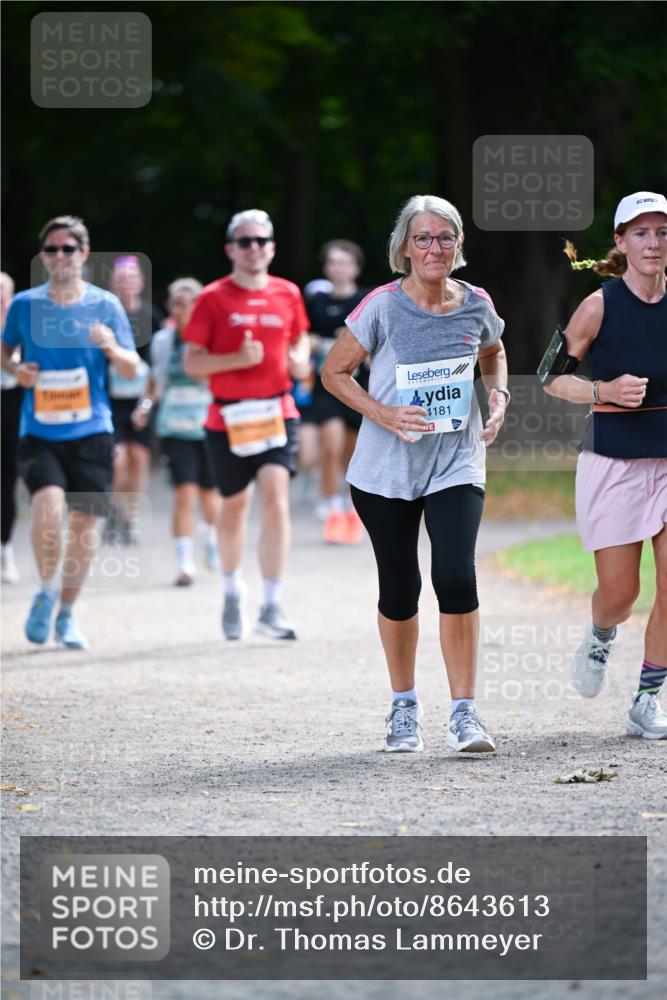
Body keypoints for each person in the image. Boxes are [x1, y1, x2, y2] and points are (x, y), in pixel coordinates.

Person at [322, 194, 509, 753]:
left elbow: (494, 350)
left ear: (459, 246)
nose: (435, 247)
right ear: (404, 247)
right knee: (400, 588)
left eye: (445, 237)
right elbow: (334, 372)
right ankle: (404, 705)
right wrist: (383, 413)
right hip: (386, 469)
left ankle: (465, 713)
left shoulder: (475, 302)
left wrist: (497, 394)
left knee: (455, 577)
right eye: (423, 238)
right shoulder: (381, 305)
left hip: (456, 460)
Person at [544, 191, 667, 739]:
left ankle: (648, 696)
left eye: (662, 232)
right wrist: (605, 389)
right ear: (620, 242)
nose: (653, 243)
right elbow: (550, 376)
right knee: (621, 595)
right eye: (641, 233)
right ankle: (600, 632)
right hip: (614, 461)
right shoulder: (599, 304)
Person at [0, 215, 139, 648]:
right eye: (52, 249)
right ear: (43, 256)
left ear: (84, 253)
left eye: (69, 249)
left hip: (92, 430)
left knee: (85, 527)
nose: (60, 256)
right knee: (48, 511)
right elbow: (4, 351)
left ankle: (67, 613)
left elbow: (133, 368)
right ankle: (44, 592)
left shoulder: (105, 305)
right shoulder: (24, 304)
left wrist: (111, 346)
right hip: (40, 429)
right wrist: (17, 371)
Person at [183, 209, 310, 640]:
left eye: (261, 241)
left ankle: (272, 603)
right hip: (228, 417)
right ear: (230, 250)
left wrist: (301, 358)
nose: (253, 248)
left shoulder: (288, 293)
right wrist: (235, 360)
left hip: (276, 411)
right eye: (245, 242)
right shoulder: (213, 297)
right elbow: (192, 362)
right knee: (234, 508)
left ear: (272, 248)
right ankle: (233, 589)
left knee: (276, 498)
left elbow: (299, 337)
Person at [132, 277, 221, 586]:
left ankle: (210, 536)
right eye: (175, 303)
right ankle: (185, 562)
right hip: (173, 427)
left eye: (186, 303)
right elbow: (154, 382)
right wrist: (143, 406)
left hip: (209, 427)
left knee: (210, 496)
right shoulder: (162, 342)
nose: (179, 308)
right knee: (184, 494)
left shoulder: (213, 339)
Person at [299, 240, 368, 544]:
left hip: (361, 387)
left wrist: (354, 341)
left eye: (344, 263)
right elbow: (302, 334)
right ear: (327, 268)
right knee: (329, 446)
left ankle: (352, 507)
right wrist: (312, 341)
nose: (339, 268)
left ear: (355, 267)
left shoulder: (367, 301)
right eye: (333, 263)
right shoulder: (316, 302)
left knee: (352, 455)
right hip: (327, 387)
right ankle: (332, 507)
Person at [105, 255, 163, 546]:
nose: (127, 283)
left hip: (142, 399)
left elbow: (157, 367)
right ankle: (113, 513)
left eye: (132, 277)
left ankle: (131, 518)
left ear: (140, 282)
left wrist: (147, 404)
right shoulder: (105, 315)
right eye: (121, 277)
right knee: (117, 461)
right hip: (111, 402)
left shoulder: (151, 317)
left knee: (139, 460)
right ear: (113, 283)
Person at [1, 271, 21, 583]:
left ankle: (5, 546)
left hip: (14, 405)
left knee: (7, 481)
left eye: (2, 291)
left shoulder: (21, 324)